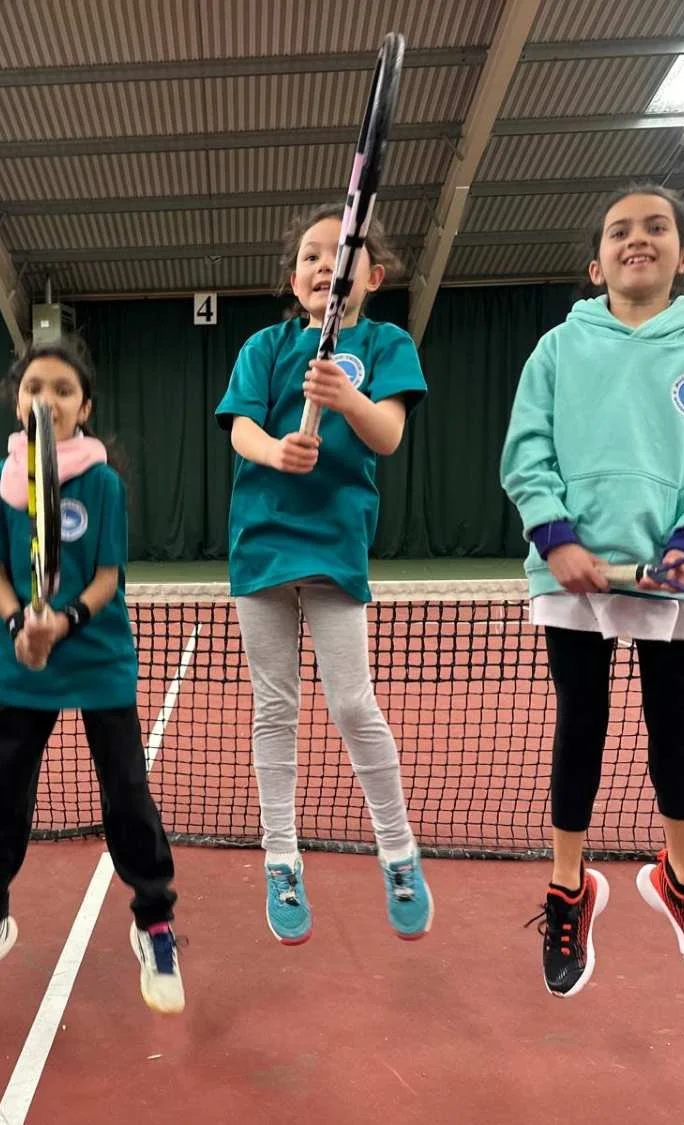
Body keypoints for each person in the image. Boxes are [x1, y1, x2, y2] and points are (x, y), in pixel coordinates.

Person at [500, 183, 684, 998]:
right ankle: (568, 884)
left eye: (656, 228)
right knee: (580, 722)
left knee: (673, 727)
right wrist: (557, 537)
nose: (637, 239)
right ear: (595, 263)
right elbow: (527, 451)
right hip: (572, 576)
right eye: (620, 231)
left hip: (676, 579)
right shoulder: (557, 348)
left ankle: (681, 881)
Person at [0, 340, 183, 1016]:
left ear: (85, 406)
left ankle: (154, 923)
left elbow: (109, 576)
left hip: (99, 657)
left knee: (127, 793)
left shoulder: (102, 483)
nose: (47, 398)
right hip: (23, 662)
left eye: (64, 389)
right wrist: (21, 624)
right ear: (17, 401)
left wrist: (65, 620)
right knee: (2, 797)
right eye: (34, 387)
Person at [214, 204, 433, 946]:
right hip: (262, 549)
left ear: (371, 277)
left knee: (352, 704)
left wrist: (347, 397)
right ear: (293, 277)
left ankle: (398, 851)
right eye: (310, 256)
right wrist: (274, 451)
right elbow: (240, 426)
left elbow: (391, 435)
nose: (321, 267)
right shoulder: (265, 347)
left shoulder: (384, 342)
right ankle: (281, 858)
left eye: (337, 257)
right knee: (273, 709)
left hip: (336, 547)